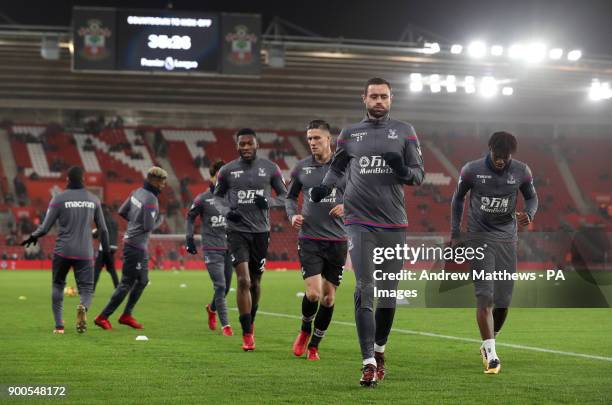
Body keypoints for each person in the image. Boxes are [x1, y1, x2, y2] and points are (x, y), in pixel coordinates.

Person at [310, 78, 424, 386]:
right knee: (364, 286)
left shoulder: (405, 131)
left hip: (394, 224)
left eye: (383, 96)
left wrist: (402, 170)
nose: (378, 100)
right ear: (364, 99)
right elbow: (337, 167)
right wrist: (325, 187)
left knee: (387, 295)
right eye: (373, 96)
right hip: (359, 221)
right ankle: (368, 361)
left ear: (391, 99)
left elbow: (419, 176)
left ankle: (380, 350)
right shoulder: (349, 133)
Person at [450, 131, 538, 374]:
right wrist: (455, 232)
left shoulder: (522, 171)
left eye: (505, 157)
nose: (500, 160)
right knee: (485, 295)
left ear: (511, 155)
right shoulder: (471, 170)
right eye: (497, 156)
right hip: (479, 237)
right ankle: (491, 354)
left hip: (507, 239)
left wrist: (529, 214)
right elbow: (458, 199)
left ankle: (489, 341)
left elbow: (532, 197)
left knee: (503, 301)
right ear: (489, 149)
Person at [213, 128, 287, 351]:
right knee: (243, 280)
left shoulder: (270, 169)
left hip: (261, 233)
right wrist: (227, 212)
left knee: (255, 282)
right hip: (236, 231)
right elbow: (216, 197)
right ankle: (246, 334)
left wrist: (269, 203)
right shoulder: (227, 171)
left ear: (257, 145)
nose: (245, 147)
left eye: (249, 143)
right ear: (236, 146)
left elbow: (285, 196)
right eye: (241, 144)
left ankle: (250, 321)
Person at [21, 166, 110, 334]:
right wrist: (106, 254)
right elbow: (103, 230)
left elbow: (45, 228)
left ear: (67, 180)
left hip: (63, 251)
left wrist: (33, 236)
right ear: (83, 180)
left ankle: (59, 326)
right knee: (86, 290)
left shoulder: (58, 199)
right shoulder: (94, 199)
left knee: (57, 285)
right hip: (85, 253)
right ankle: (82, 307)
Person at [285, 120, 347, 361]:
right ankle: (304, 331)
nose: (312, 143)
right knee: (312, 294)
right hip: (309, 238)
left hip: (338, 240)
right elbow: (290, 197)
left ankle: (315, 345)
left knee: (329, 297)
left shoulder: (345, 166)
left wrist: (346, 206)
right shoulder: (301, 168)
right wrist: (292, 215)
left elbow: (360, 195)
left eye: (316, 138)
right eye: (309, 138)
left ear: (328, 139)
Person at [94, 167, 167, 330]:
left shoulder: (137, 192)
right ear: (154, 180)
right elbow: (148, 226)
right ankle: (102, 316)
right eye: (162, 182)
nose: (163, 185)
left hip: (135, 244)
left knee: (142, 280)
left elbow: (122, 211)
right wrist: (159, 221)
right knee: (126, 283)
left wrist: (134, 222)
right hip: (136, 246)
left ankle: (126, 315)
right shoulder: (151, 200)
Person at [186, 160, 234, 337]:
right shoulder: (203, 199)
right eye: (218, 176)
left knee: (226, 287)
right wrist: (189, 238)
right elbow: (190, 217)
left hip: (229, 247)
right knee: (220, 285)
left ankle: (212, 308)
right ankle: (226, 325)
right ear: (212, 177)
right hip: (211, 248)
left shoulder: (230, 197)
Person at [93, 204, 119, 291]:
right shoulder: (114, 221)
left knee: (97, 269)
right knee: (111, 269)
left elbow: (97, 234)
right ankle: (117, 287)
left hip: (104, 247)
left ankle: (91, 290)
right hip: (113, 247)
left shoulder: (102, 220)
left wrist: (93, 233)